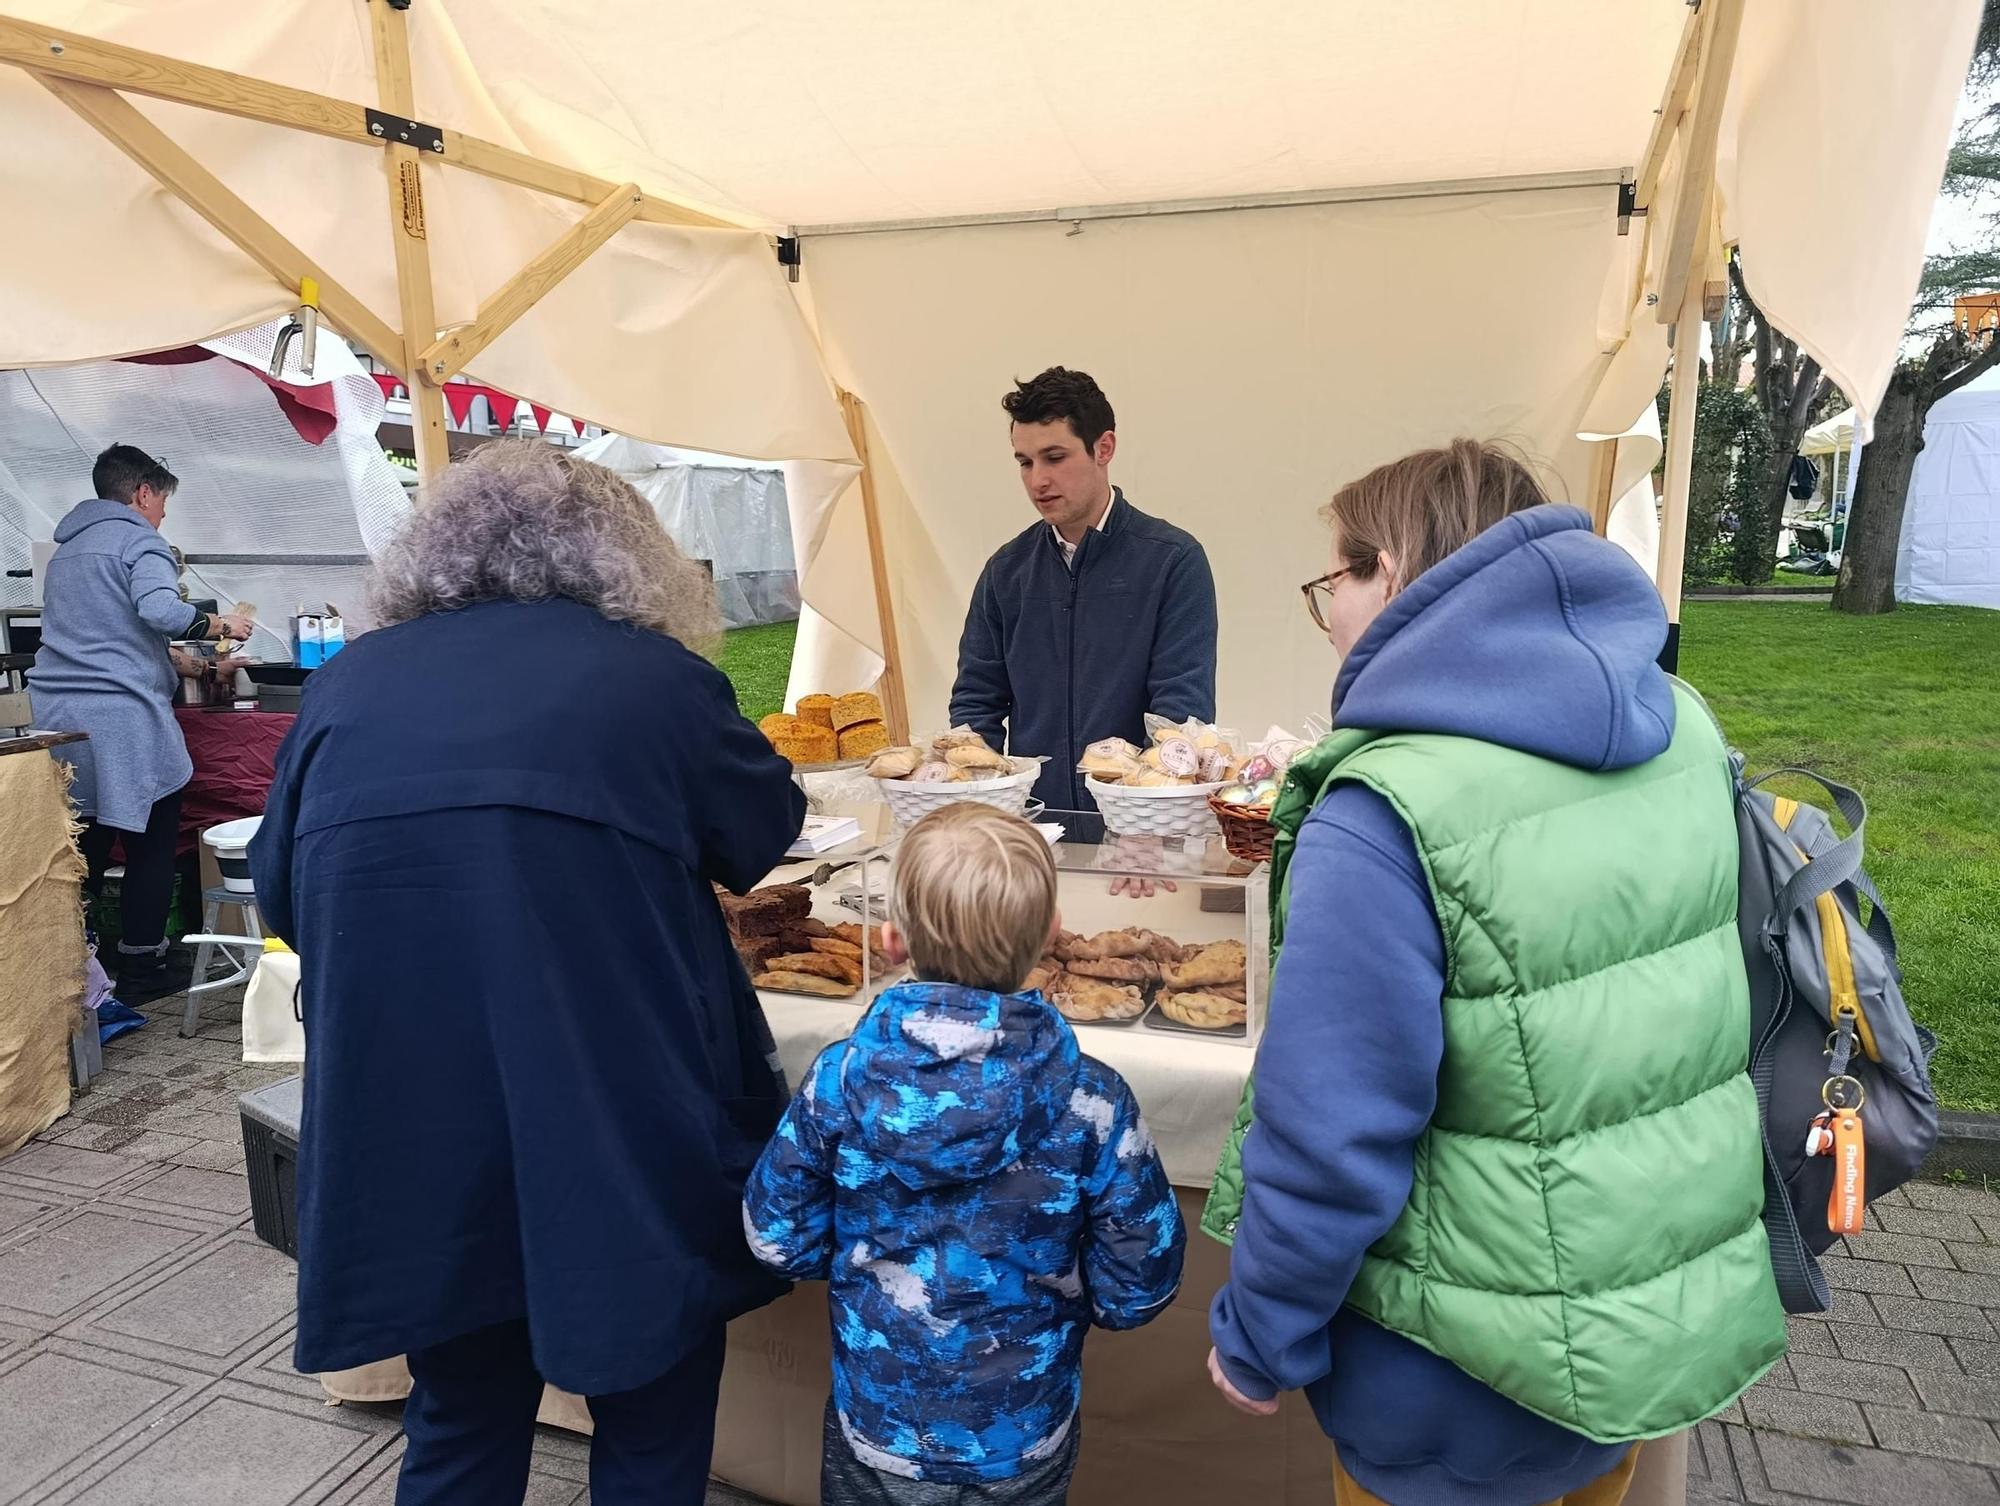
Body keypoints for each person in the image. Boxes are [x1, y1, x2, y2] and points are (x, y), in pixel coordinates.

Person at [1203, 441, 1786, 1506]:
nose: (1327, 614)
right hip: (1642, 1337)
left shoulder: (1382, 810)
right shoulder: (1683, 729)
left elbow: (1329, 1128)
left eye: (1329, 581)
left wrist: (1258, 1332)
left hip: (1452, 1382)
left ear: (1389, 571)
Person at [248, 442, 806, 1506]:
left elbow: (284, 899)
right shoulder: (653, 680)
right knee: (651, 1396)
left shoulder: (347, 686)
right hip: (614, 1101)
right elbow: (761, 826)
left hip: (411, 1119)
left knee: (460, 1406)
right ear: (621, 554)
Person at [743, 802, 1186, 1504]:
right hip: (1023, 1434)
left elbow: (775, 1239)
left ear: (890, 940)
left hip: (881, 1430)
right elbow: (1140, 1283)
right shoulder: (1094, 1103)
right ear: (1051, 935)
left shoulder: (836, 1080)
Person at [29, 444, 251, 991]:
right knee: (153, 838)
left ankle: (75, 970)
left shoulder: (67, 553)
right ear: (142, 493)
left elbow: (105, 633)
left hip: (57, 716)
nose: (163, 515)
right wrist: (219, 625)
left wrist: (178, 659)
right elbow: (158, 610)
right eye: (162, 502)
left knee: (82, 848)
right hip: (123, 719)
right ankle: (144, 964)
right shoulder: (138, 539)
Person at [950, 368, 1218, 815]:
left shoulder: (1173, 560)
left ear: (1104, 448)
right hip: (1034, 828)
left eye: (1054, 457)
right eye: (1025, 461)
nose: (1037, 480)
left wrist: (1149, 822)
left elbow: (1181, 711)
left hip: (1143, 835)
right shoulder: (1005, 571)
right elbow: (977, 700)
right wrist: (982, 809)